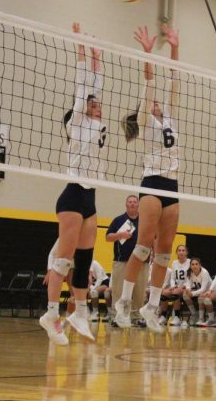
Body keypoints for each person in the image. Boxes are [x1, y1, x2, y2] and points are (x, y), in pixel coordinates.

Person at [39, 23, 104, 344]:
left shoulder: (97, 121)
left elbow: (96, 86)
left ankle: (79, 312)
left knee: (84, 259)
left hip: (90, 197)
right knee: (62, 259)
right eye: (90, 105)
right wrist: (80, 48)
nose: (95, 105)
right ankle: (51, 314)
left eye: (96, 104)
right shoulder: (78, 123)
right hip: (72, 195)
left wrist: (98, 57)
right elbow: (82, 87)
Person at [115, 23, 181, 332]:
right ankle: (124, 302)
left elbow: (173, 80)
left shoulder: (169, 116)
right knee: (143, 247)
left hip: (173, 185)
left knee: (165, 250)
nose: (156, 102)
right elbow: (151, 81)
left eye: (157, 102)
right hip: (152, 183)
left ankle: (152, 306)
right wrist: (147, 53)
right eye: (151, 101)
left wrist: (175, 49)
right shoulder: (144, 120)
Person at [105, 195, 145, 319]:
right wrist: (120, 235)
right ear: (126, 204)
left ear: (138, 205)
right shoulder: (118, 220)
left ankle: (137, 317)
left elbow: (153, 237)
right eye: (130, 202)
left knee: (140, 291)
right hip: (121, 261)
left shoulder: (144, 220)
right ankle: (117, 316)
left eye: (135, 202)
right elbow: (107, 237)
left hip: (142, 261)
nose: (132, 204)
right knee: (118, 290)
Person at [165, 244, 191, 326]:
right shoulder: (174, 262)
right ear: (176, 252)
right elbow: (172, 277)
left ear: (186, 252)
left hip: (187, 287)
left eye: (183, 250)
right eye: (179, 250)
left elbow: (191, 278)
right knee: (163, 293)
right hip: (176, 287)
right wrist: (172, 285)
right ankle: (163, 316)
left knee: (175, 293)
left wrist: (184, 286)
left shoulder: (190, 262)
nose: (181, 252)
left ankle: (177, 317)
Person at [182, 259, 212, 326]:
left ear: (200, 265)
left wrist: (192, 293)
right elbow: (188, 284)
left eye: (196, 264)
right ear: (190, 266)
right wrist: (188, 289)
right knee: (185, 295)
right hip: (198, 291)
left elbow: (203, 288)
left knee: (200, 296)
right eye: (192, 264)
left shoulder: (204, 272)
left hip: (209, 291)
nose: (194, 266)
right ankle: (194, 314)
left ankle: (201, 318)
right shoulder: (190, 272)